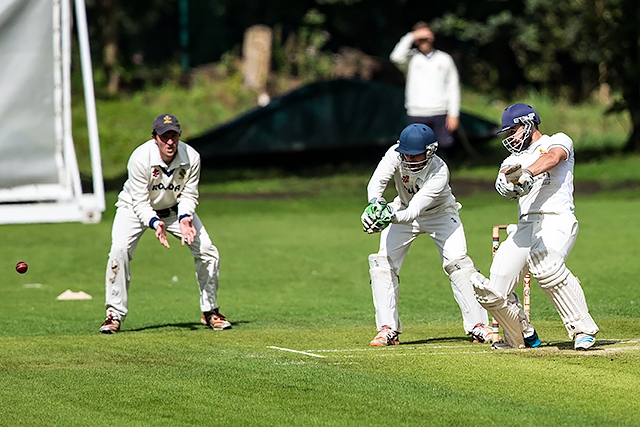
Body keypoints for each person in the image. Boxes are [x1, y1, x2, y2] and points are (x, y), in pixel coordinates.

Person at [471, 103, 599, 350]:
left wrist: (528, 172)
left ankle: (583, 329)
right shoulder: (510, 160)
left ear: (529, 123)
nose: (510, 138)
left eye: (513, 131)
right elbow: (506, 178)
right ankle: (522, 335)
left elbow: (553, 157)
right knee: (492, 290)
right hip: (525, 225)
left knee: (546, 266)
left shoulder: (558, 140)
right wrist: (508, 185)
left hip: (556, 219)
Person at [361, 123, 494, 346]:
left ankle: (478, 326)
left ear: (430, 151)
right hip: (402, 208)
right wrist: (375, 205)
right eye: (407, 156)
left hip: (440, 214)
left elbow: (415, 210)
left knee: (458, 264)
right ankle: (387, 329)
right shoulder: (395, 154)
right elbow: (377, 182)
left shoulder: (440, 171)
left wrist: (388, 216)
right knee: (382, 263)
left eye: (416, 156)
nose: (411, 161)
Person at [99, 113, 231, 334]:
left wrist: (185, 218)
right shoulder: (140, 158)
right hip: (133, 209)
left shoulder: (192, 157)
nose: (170, 142)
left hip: (175, 211)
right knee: (119, 251)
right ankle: (114, 315)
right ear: (155, 137)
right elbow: (140, 201)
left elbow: (189, 194)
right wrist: (153, 222)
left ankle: (210, 311)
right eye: (164, 136)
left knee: (208, 250)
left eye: (174, 136)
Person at [390, 21, 461, 162]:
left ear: (432, 37)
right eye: (420, 39)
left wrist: (453, 114)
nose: (423, 42)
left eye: (426, 38)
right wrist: (411, 36)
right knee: (416, 151)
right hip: (416, 112)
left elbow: (453, 87)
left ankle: (440, 181)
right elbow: (395, 57)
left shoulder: (444, 59)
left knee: (441, 152)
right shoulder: (411, 58)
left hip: (440, 112)